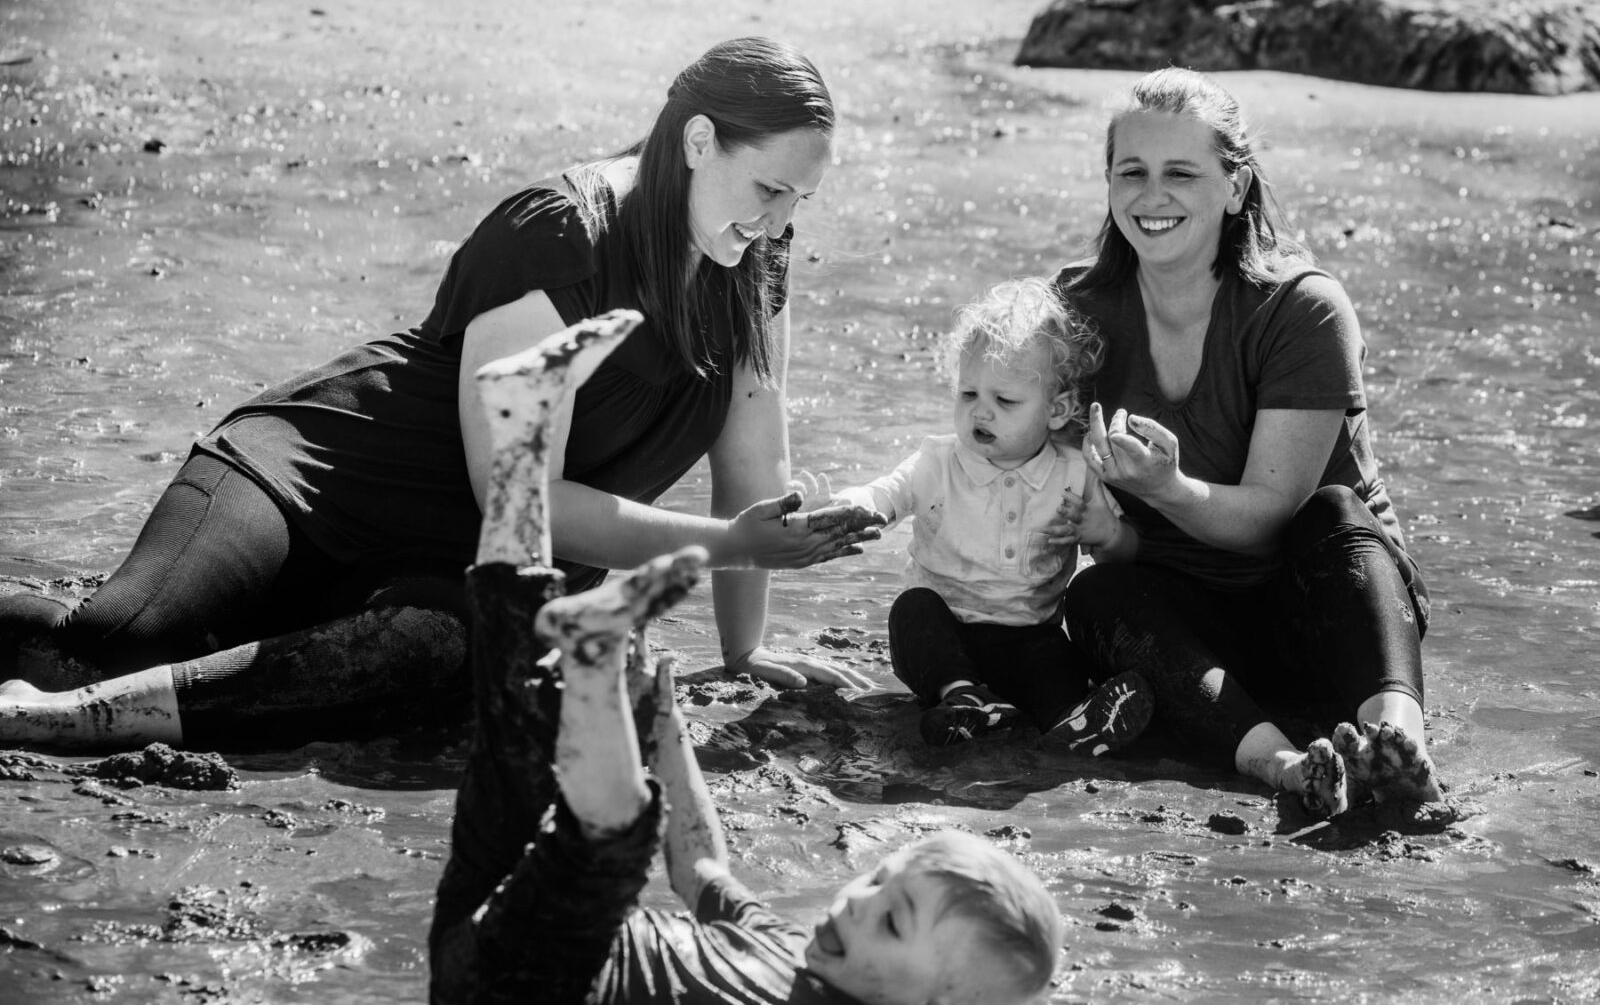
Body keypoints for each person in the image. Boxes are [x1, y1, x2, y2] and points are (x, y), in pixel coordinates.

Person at [0, 36, 883, 750]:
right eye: (769, 187)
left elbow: (754, 465)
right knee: (109, 647)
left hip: (457, 573)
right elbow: (519, 499)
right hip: (314, 482)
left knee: (439, 664)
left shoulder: (753, 263)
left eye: (798, 202)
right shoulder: (559, 235)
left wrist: (744, 648)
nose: (778, 223)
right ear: (698, 141)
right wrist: (734, 544)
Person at [1051, 66, 1443, 817]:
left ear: (1233, 188)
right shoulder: (1074, 312)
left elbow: (1270, 516)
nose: (1151, 195)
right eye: (1131, 171)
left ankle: (1397, 742)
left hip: (1332, 618)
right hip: (1198, 639)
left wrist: (1166, 488)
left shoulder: (1302, 309)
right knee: (1097, 594)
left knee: (1331, 511)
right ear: (1107, 183)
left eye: (1181, 173)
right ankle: (1289, 768)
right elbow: (1023, 465)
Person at [430, 545, 1065, 1005]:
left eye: (893, 922)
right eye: (877, 880)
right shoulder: (785, 941)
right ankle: (516, 436)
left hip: (545, 975)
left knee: (608, 836)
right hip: (483, 934)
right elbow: (700, 866)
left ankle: (593, 657)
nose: (857, 903)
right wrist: (663, 725)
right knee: (509, 735)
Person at [800, 276, 1152, 754]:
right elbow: (890, 491)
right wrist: (856, 504)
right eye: (968, 395)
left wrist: (1106, 532)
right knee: (912, 611)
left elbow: (1128, 550)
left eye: (1004, 401)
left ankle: (1073, 723)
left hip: (1031, 635)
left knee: (1056, 661)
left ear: (1057, 409)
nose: (980, 413)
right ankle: (962, 699)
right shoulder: (938, 460)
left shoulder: (1075, 473)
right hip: (948, 630)